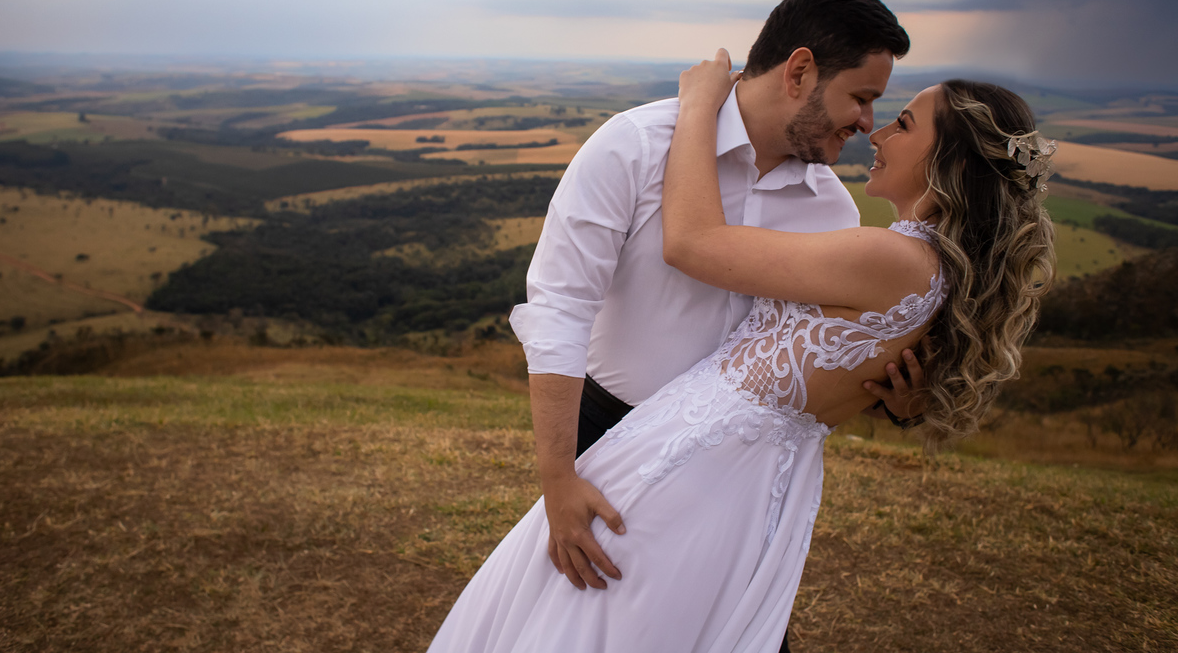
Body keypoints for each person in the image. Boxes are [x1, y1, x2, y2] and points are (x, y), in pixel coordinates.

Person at [427, 54, 1056, 652]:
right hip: (693, 456)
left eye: (904, 123)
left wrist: (699, 106)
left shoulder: (884, 251)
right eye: (870, 103)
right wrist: (896, 401)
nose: (878, 130)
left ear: (952, 160)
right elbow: (837, 364)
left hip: (702, 467)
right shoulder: (926, 267)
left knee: (609, 620)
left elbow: (694, 242)